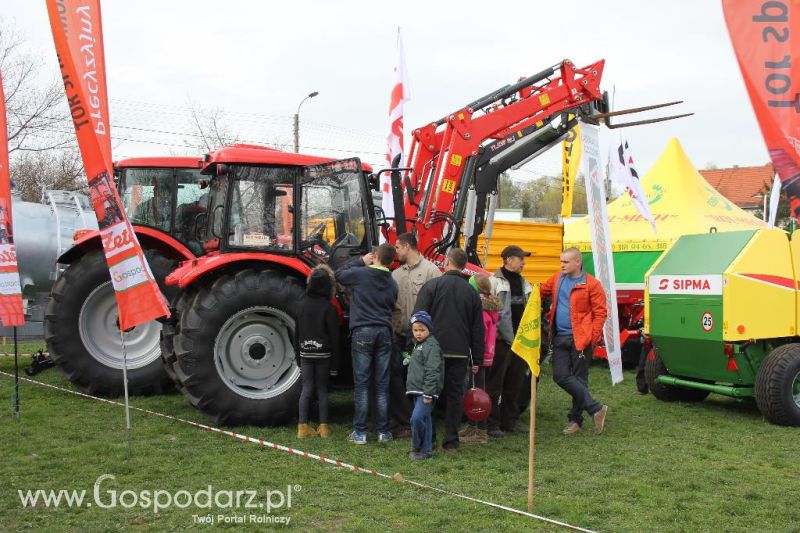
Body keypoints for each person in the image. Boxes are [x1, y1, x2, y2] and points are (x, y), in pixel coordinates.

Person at [414, 248, 484, 453]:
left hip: (432, 350)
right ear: (464, 266)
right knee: (454, 396)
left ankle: (430, 438)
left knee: (429, 393)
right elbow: (477, 328)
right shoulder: (471, 292)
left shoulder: (432, 286)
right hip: (460, 351)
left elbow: (418, 317)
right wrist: (476, 359)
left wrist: (417, 346)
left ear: (446, 262)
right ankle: (451, 441)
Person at [541, 247, 609, 436]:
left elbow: (601, 313)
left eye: (566, 262)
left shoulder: (592, 284)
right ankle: (596, 408)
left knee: (579, 380)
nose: (562, 265)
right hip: (560, 337)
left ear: (577, 262)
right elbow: (540, 290)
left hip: (581, 339)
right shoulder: (556, 279)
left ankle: (575, 421)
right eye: (561, 261)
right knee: (560, 376)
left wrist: (592, 338)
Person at [336, 243, 399, 445]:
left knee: (362, 384)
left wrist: (361, 261)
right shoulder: (392, 283)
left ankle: (360, 432)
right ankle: (383, 432)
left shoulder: (361, 274)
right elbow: (392, 304)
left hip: (363, 330)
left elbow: (339, 273)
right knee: (381, 385)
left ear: (376, 256)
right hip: (384, 332)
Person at [390, 233, 441, 438]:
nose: (395, 251)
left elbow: (438, 304)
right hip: (400, 335)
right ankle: (405, 420)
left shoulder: (431, 271)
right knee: (397, 377)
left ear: (407, 247)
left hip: (421, 339)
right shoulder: (396, 274)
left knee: (420, 379)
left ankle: (420, 419)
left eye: (397, 247)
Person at [486, 245, 533, 438]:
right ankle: (491, 423)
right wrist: (497, 333)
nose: (523, 262)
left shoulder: (525, 284)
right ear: (508, 259)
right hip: (500, 342)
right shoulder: (493, 282)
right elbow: (488, 310)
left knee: (515, 383)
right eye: (520, 258)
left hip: (520, 343)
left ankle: (510, 421)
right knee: (494, 385)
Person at [296, 265, 340, 439]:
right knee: (322, 390)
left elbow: (296, 334)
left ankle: (302, 427)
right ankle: (324, 428)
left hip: (305, 354)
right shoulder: (329, 308)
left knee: (306, 389)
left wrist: (298, 357)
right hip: (323, 356)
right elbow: (335, 338)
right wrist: (335, 365)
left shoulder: (301, 305)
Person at [459, 274, 501, 444]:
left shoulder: (481, 311)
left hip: (479, 357)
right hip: (483, 356)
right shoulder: (486, 306)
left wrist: (475, 360)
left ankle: (481, 431)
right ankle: (472, 424)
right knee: (474, 389)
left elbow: (479, 337)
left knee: (478, 393)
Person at [405, 311, 444, 460]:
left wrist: (428, 393)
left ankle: (416, 446)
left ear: (429, 329)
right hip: (417, 390)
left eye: (422, 330)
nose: (418, 333)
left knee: (416, 418)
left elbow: (433, 370)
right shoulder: (418, 345)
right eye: (416, 330)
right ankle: (426, 450)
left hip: (425, 392)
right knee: (425, 418)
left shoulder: (431, 346)